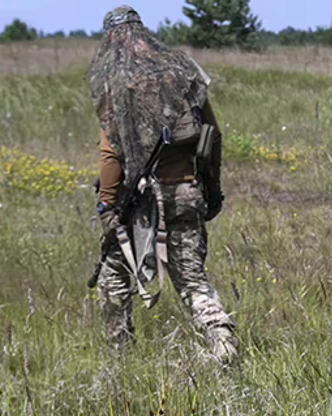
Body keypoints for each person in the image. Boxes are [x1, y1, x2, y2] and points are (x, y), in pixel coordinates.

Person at [88, 6, 237, 364]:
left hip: (138, 203)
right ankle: (222, 342)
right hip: (186, 190)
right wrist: (212, 189)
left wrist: (108, 206)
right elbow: (212, 134)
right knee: (192, 281)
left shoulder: (115, 78)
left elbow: (111, 154)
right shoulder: (181, 68)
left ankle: (120, 360)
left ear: (111, 36)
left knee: (114, 277)